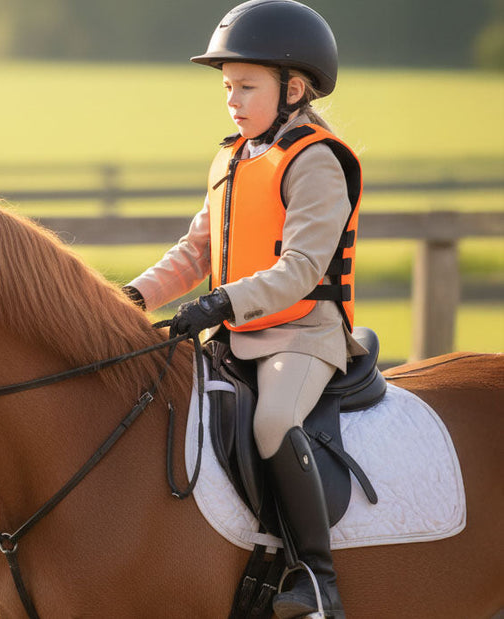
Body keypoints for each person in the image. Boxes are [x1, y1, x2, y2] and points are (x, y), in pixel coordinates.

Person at [122, 1, 367, 617]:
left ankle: (318, 578)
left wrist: (221, 302)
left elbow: (302, 269)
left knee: (272, 421)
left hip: (302, 337)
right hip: (236, 332)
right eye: (227, 86)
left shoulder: (316, 161)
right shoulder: (232, 159)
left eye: (246, 86)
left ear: (294, 87)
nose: (232, 99)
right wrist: (130, 297)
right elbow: (195, 251)